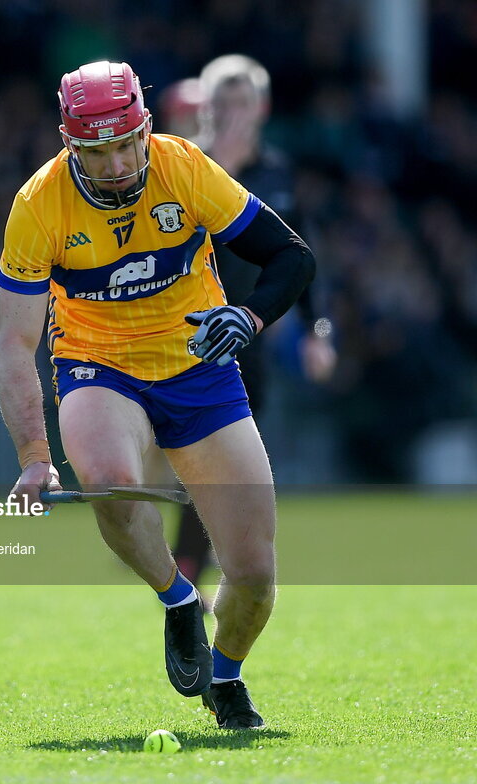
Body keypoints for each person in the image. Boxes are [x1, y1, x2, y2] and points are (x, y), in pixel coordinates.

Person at [0, 60, 316, 730]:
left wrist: (250, 316)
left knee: (255, 576)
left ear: (144, 129)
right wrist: (32, 454)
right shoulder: (38, 205)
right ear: (68, 143)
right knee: (109, 478)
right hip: (98, 363)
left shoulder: (184, 167)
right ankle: (176, 598)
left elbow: (293, 257)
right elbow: (12, 345)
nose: (114, 164)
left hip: (197, 368)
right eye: (96, 151)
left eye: (124, 144)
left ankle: (224, 677)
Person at [160, 56, 336, 597]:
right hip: (178, 330)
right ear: (204, 107)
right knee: (190, 454)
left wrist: (317, 331)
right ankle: (180, 559)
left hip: (247, 336)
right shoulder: (185, 168)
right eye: (222, 102)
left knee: (226, 458)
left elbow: (299, 256)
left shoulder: (279, 174)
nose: (233, 113)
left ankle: (195, 567)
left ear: (262, 108)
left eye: (243, 102)